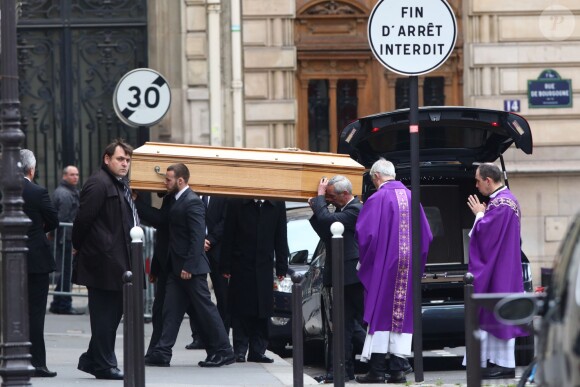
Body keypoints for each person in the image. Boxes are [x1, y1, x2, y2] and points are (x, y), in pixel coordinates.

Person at [144, 163, 234, 368]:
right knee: (170, 311)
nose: (165, 183)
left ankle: (224, 351)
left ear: (181, 180)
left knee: (206, 310)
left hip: (190, 270)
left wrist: (190, 266)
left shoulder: (192, 202)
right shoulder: (176, 200)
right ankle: (162, 352)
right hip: (177, 269)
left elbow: (197, 238)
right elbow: (162, 221)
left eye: (168, 179)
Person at [355, 159, 432, 384]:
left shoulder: (377, 198)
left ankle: (377, 370)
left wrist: (367, 262)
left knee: (380, 313)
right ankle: (398, 370)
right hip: (407, 267)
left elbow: (365, 235)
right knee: (402, 315)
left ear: (377, 177)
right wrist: (417, 262)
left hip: (384, 267)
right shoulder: (411, 197)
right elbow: (426, 236)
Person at [72, 139, 138, 380]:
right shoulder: (98, 184)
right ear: (107, 159)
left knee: (111, 315)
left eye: (128, 160)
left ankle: (93, 359)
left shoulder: (118, 184)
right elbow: (82, 221)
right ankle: (103, 363)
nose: (125, 164)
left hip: (117, 261)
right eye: (120, 159)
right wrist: (77, 246)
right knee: (104, 316)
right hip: (103, 261)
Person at [464, 162, 528, 379]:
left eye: (478, 180)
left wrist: (480, 215)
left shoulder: (502, 204)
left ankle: (504, 365)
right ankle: (495, 362)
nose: (476, 185)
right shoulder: (504, 200)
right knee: (493, 311)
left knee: (499, 311)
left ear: (488, 181)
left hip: (500, 269)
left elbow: (486, 236)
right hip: (501, 266)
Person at [307, 175, 363, 383]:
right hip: (341, 276)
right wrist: (317, 207)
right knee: (340, 326)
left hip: (351, 276)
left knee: (356, 323)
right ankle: (340, 371)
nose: (328, 200)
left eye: (331, 196)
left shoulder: (355, 209)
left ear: (344, 194)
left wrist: (319, 198)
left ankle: (387, 363)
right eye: (327, 196)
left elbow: (327, 221)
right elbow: (326, 231)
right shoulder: (342, 211)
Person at [220, 198, 289, 363]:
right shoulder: (237, 202)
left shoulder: (276, 204)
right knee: (241, 309)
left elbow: (281, 235)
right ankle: (240, 349)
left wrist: (281, 266)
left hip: (264, 265)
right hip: (241, 263)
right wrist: (225, 266)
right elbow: (228, 234)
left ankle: (258, 350)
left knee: (262, 310)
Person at [20, 149, 60, 377]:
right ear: (31, 169)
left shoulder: (5, 190)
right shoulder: (37, 192)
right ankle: (37, 363)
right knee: (35, 313)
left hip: (9, 257)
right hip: (36, 259)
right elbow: (53, 219)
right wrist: (38, 231)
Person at [186, 194, 230, 350]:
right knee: (195, 294)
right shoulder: (190, 195)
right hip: (194, 249)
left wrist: (209, 240)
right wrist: (198, 241)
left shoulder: (221, 196)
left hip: (217, 250)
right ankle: (198, 336)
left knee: (222, 296)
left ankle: (222, 336)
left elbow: (225, 221)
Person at [49, 165, 83, 315]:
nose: (75, 177)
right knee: (67, 272)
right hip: (67, 238)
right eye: (71, 175)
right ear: (64, 176)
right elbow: (62, 218)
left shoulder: (69, 192)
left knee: (65, 272)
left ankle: (58, 302)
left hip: (66, 237)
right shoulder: (65, 194)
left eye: (76, 174)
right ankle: (63, 304)